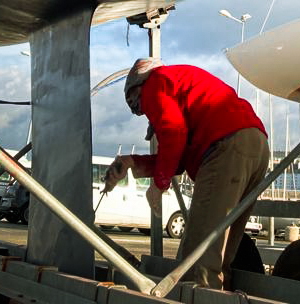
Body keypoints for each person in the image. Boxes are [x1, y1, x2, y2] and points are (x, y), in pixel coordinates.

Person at [104, 59, 269, 289]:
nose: (144, 113)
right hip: (255, 143)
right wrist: (132, 163)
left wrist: (158, 186)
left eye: (138, 106)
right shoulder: (179, 85)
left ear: (137, 85)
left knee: (198, 259)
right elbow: (178, 159)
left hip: (225, 144)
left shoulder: (156, 83)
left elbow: (173, 133)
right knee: (219, 256)